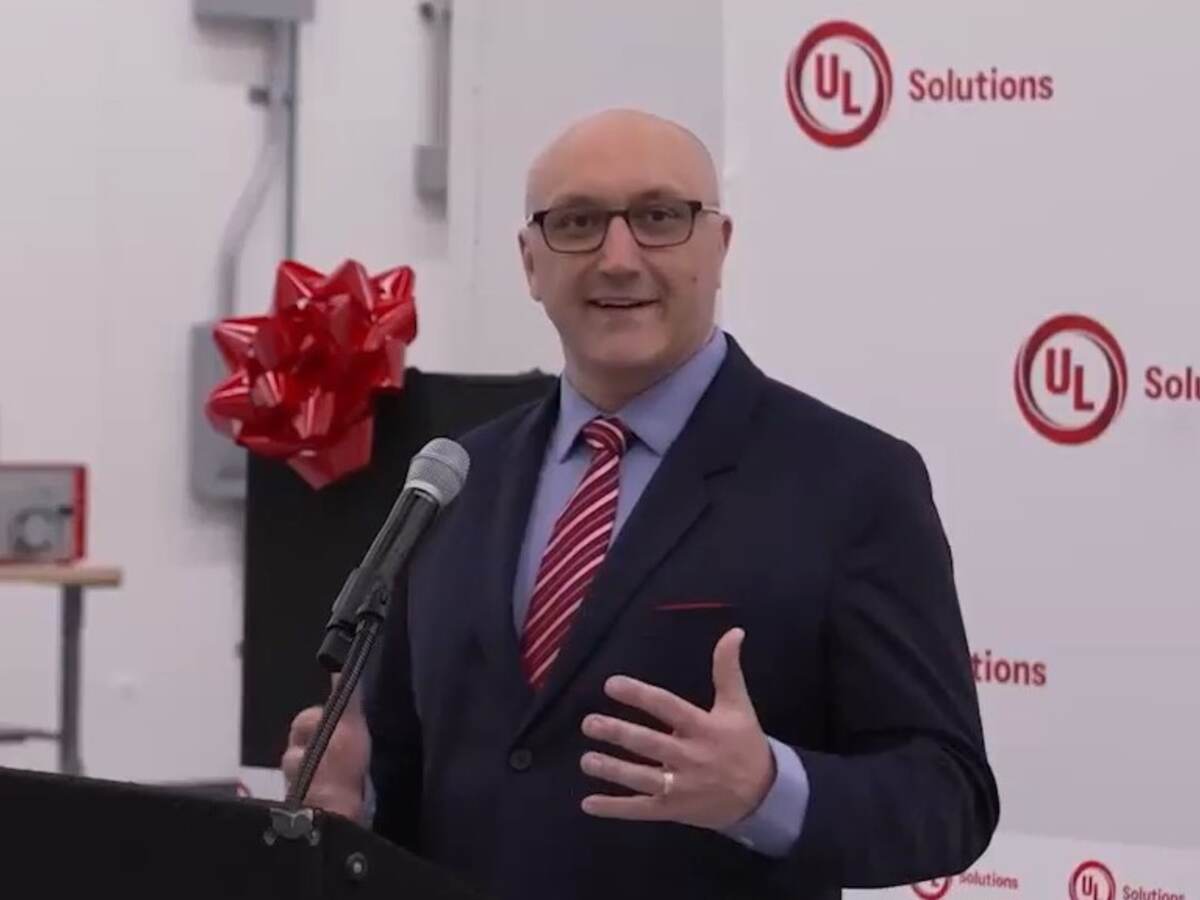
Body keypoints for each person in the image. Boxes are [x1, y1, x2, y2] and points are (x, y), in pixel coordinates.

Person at [283, 107, 999, 899]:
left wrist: (766, 792)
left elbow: (948, 796)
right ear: (530, 262)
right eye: (578, 222)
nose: (617, 259)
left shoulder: (853, 481)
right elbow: (425, 765)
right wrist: (357, 803)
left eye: (659, 217)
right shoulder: (456, 478)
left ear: (719, 246)